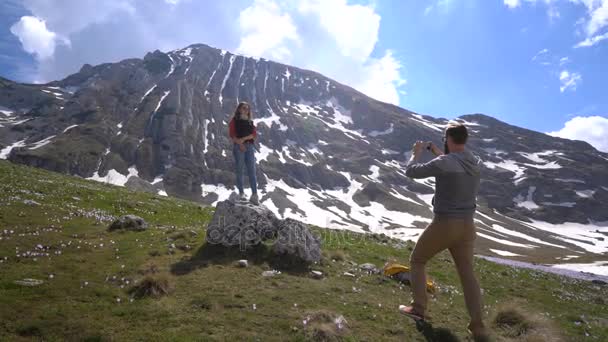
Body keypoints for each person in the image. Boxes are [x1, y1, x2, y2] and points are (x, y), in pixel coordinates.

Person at [399, 121, 488, 340]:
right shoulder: (474, 162)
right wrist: (438, 152)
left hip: (446, 223)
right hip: (468, 226)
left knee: (417, 260)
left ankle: (418, 308)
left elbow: (411, 172)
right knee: (467, 274)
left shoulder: (446, 162)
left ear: (448, 139)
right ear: (464, 140)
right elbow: (450, 163)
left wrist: (416, 153)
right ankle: (477, 326)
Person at [228, 102, 259, 205]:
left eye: (248, 108)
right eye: (244, 108)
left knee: (252, 171)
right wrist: (240, 143)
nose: (246, 110)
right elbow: (232, 134)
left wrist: (243, 140)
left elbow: (254, 135)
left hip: (249, 147)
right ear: (239, 109)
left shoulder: (250, 122)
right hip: (239, 147)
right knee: (240, 170)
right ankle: (241, 193)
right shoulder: (234, 121)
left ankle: (254, 195)